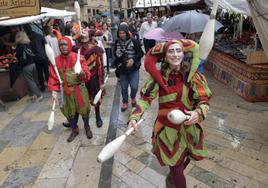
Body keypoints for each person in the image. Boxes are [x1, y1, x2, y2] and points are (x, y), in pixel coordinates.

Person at [128, 40, 212, 188]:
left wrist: (198, 113)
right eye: (171, 51)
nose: (175, 54)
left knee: (185, 159)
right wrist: (135, 117)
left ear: (183, 53)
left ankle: (172, 178)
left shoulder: (193, 76)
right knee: (176, 167)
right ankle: (175, 178)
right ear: (165, 57)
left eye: (178, 51)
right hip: (168, 132)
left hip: (189, 128)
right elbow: (145, 100)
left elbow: (204, 100)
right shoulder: (157, 77)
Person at [48, 36, 92, 142]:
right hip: (65, 91)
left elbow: (87, 74)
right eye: (61, 45)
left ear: (69, 45)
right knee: (69, 111)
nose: (63, 47)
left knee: (84, 108)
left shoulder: (79, 58)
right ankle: (74, 130)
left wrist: (82, 73)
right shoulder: (55, 61)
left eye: (65, 44)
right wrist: (54, 90)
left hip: (79, 89)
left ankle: (87, 127)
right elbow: (53, 77)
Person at [74, 29, 106, 128]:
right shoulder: (75, 49)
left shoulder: (96, 49)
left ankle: (97, 116)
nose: (83, 33)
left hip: (93, 78)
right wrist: (77, 35)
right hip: (79, 78)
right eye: (81, 33)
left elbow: (100, 66)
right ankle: (74, 121)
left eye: (85, 33)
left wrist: (101, 81)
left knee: (95, 98)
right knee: (79, 100)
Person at [114, 24, 144, 112]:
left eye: (123, 33)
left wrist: (133, 59)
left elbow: (141, 53)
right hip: (123, 69)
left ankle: (133, 97)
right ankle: (125, 102)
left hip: (133, 69)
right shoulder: (117, 42)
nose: (122, 35)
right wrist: (119, 56)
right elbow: (115, 55)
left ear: (127, 33)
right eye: (120, 33)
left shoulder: (134, 41)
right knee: (124, 87)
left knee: (134, 86)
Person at [15, 31, 43, 102]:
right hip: (33, 64)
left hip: (26, 65)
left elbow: (19, 57)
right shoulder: (28, 44)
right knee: (30, 81)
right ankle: (32, 96)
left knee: (30, 81)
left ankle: (39, 95)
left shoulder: (19, 46)